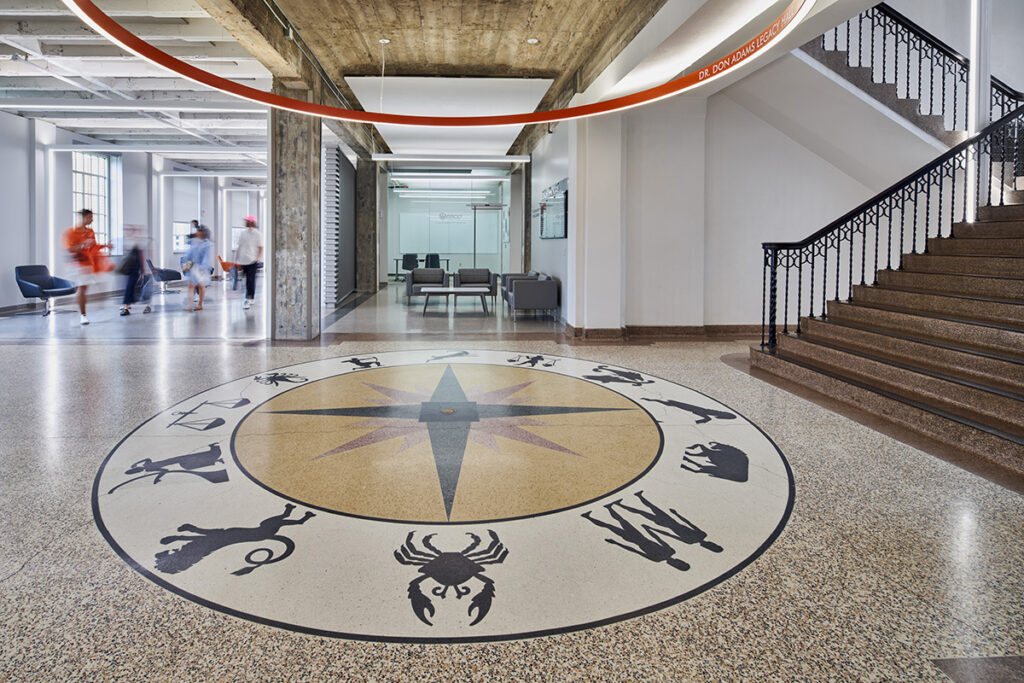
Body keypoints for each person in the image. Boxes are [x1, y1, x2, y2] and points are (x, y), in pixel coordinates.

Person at [63, 208, 112, 325]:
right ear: (83, 217)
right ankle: (83, 315)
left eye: (92, 217)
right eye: (90, 217)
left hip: (89, 264)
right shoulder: (71, 233)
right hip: (77, 264)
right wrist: (82, 244)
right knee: (82, 288)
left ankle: (83, 308)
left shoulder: (90, 232)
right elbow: (69, 249)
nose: (92, 219)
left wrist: (105, 246)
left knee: (92, 286)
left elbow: (93, 247)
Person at [119, 224, 151, 316]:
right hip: (131, 269)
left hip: (138, 268)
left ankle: (147, 306)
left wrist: (144, 269)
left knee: (144, 287)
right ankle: (126, 307)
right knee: (130, 287)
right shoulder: (130, 241)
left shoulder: (139, 242)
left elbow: (142, 255)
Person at [180, 226, 213, 312]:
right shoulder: (194, 242)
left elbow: (206, 257)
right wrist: (185, 260)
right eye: (197, 231)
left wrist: (203, 267)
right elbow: (189, 252)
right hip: (193, 266)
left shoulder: (207, 244)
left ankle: (200, 304)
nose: (197, 233)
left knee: (200, 286)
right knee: (191, 285)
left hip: (201, 268)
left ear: (203, 233)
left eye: (199, 231)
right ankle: (190, 305)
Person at [234, 215, 263, 310]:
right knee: (246, 280)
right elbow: (239, 246)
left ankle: (249, 298)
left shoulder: (258, 234)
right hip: (243, 260)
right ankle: (249, 296)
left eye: (247, 221)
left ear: (252, 222)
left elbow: (260, 247)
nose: (246, 222)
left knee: (251, 280)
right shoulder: (243, 233)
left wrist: (258, 257)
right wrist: (236, 258)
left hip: (252, 260)